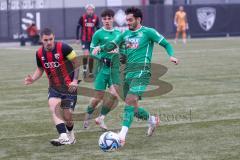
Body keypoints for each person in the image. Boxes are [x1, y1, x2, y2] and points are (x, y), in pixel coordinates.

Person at [93, 7, 179, 147]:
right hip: (127, 73)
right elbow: (113, 44)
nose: (128, 22)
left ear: (138, 19)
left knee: (129, 100)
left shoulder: (148, 32)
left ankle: (121, 135)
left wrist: (171, 55)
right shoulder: (125, 33)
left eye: (130, 20)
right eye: (126, 20)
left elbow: (166, 43)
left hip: (142, 72)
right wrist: (101, 48)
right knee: (134, 108)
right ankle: (152, 120)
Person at [24, 28, 80, 146]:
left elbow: (76, 63)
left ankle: (70, 134)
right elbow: (40, 69)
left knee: (68, 117)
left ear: (54, 37)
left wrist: (75, 81)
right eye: (45, 40)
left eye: (50, 39)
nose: (48, 42)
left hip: (69, 87)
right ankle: (63, 136)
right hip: (54, 87)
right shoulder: (39, 53)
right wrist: (33, 79)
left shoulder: (64, 48)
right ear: (41, 39)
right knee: (54, 107)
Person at [83, 9, 121, 131]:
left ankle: (101, 118)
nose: (107, 21)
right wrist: (102, 58)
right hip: (102, 70)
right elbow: (92, 51)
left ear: (113, 19)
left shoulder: (119, 34)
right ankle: (88, 113)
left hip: (114, 70)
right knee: (98, 97)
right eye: (104, 19)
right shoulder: (98, 34)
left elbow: (123, 48)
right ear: (102, 20)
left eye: (109, 18)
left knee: (115, 95)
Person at [76, 4, 100, 78]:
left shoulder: (96, 18)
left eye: (91, 9)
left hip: (93, 40)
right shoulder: (82, 18)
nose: (90, 11)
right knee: (86, 54)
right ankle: (84, 71)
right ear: (86, 10)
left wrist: (100, 39)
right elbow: (78, 27)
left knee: (92, 55)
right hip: (84, 39)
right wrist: (77, 38)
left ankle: (90, 71)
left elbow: (98, 29)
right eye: (88, 9)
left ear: (93, 10)